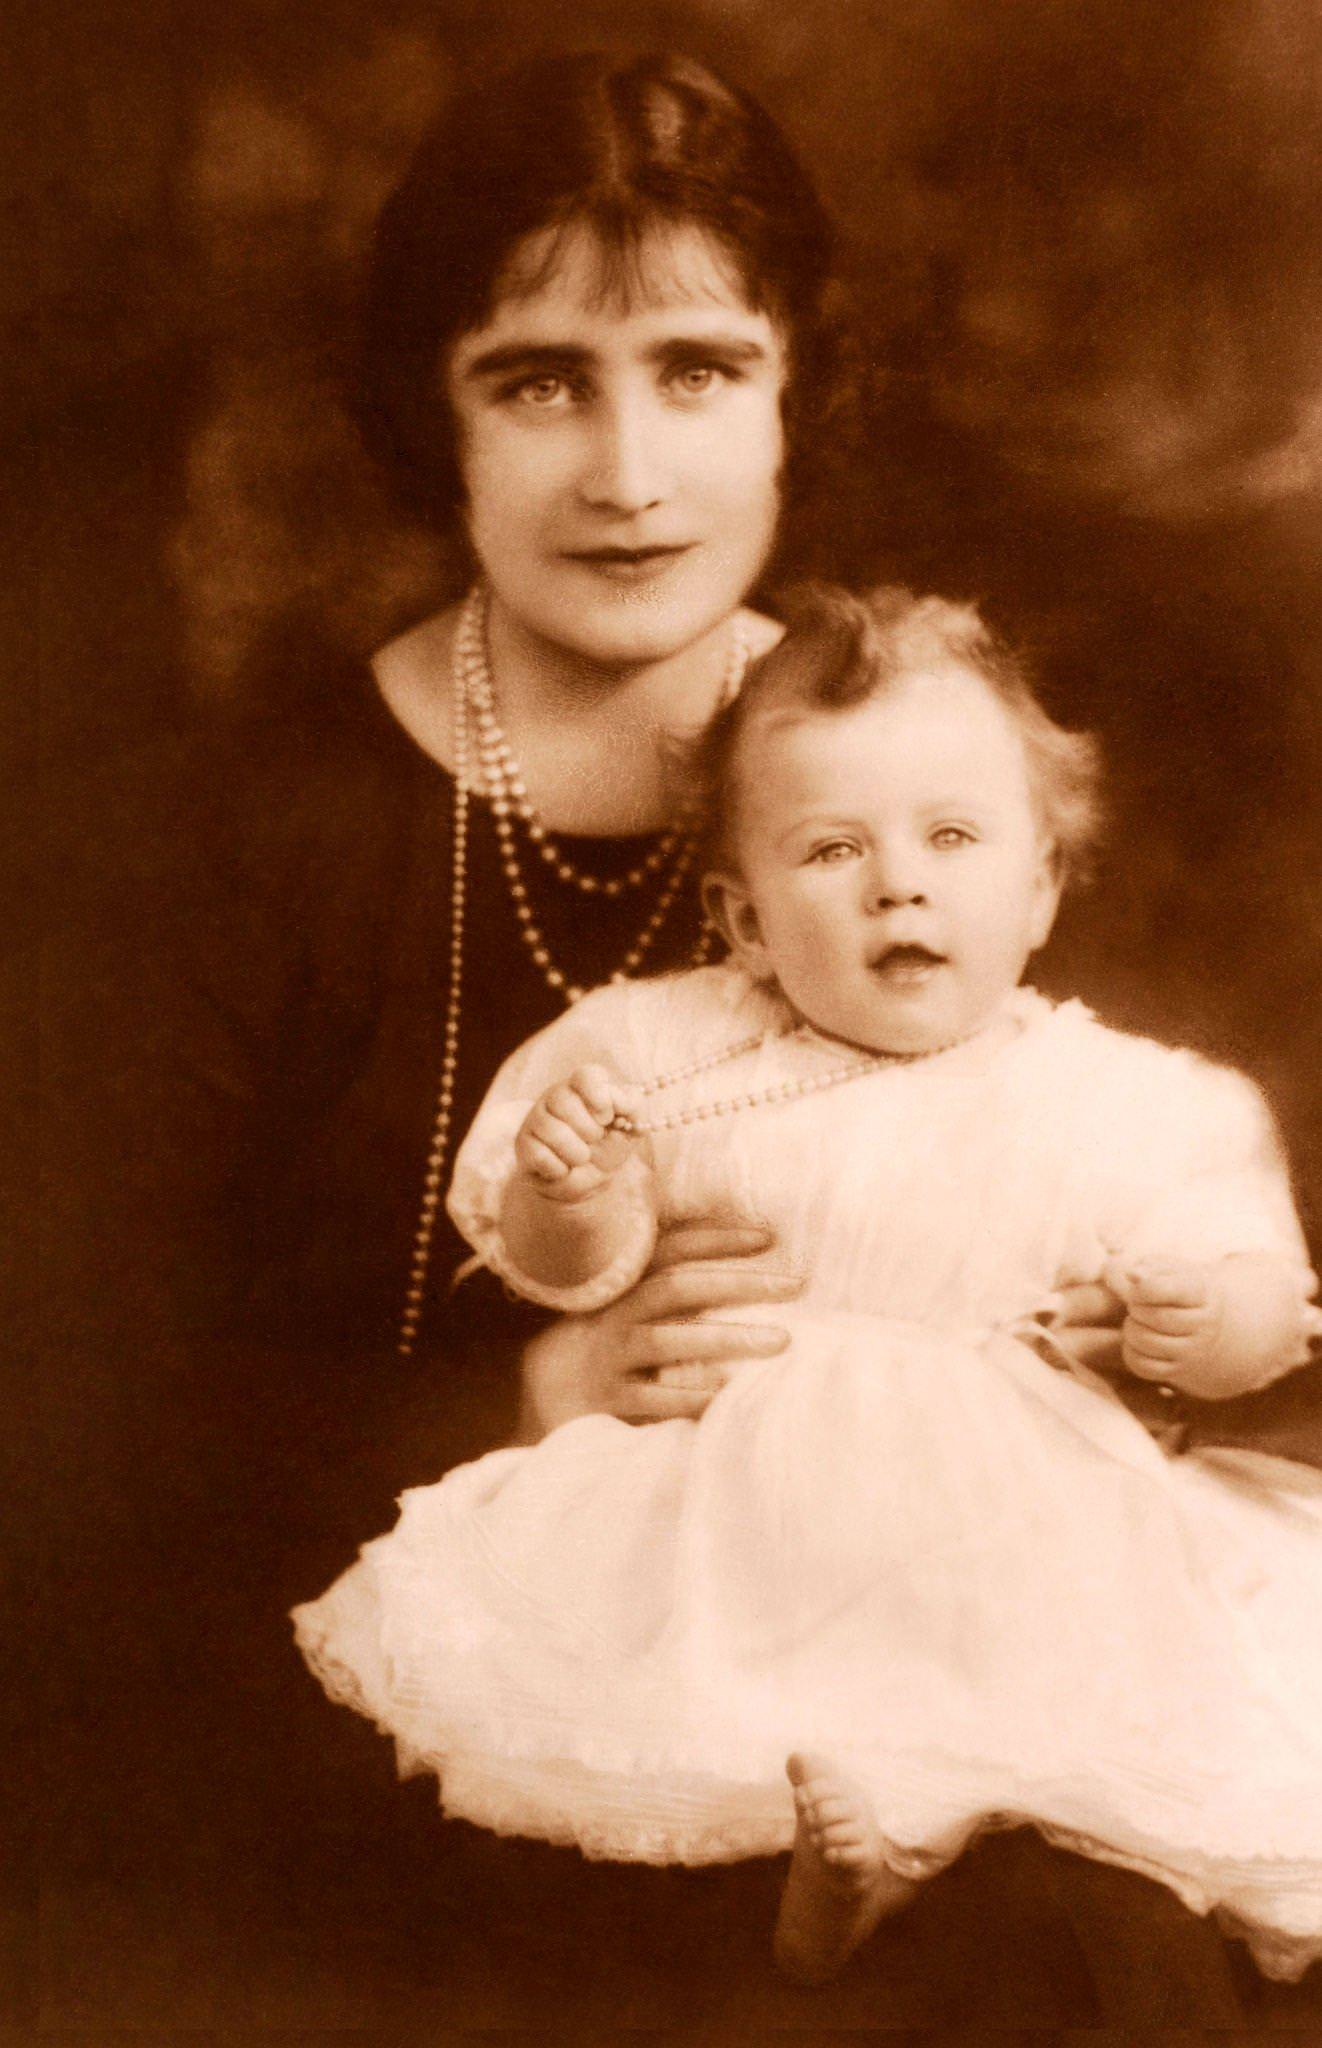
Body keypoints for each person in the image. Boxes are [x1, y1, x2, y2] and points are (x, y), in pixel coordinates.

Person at [39, 44, 1263, 2024]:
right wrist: (530, 1394)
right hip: (413, 1723)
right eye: (538, 380)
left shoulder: (927, 788)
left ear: (793, 395)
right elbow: (77, 1439)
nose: (627, 473)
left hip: (943, 1676)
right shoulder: (232, 837)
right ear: (432, 422)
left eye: (697, 368)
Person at [293, 584, 1322, 1991]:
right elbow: (561, 1269)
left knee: (1053, 1682)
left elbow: (1253, 1302)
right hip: (737, 1506)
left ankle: (898, 1843)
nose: (897, 884)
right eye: (831, 850)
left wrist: (1208, 1325)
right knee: (708, 1689)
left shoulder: (1125, 1103)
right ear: (744, 918)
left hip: (1010, 1509)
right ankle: (835, 1859)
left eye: (951, 839)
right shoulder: (670, 1051)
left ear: (1036, 889)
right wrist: (572, 1188)